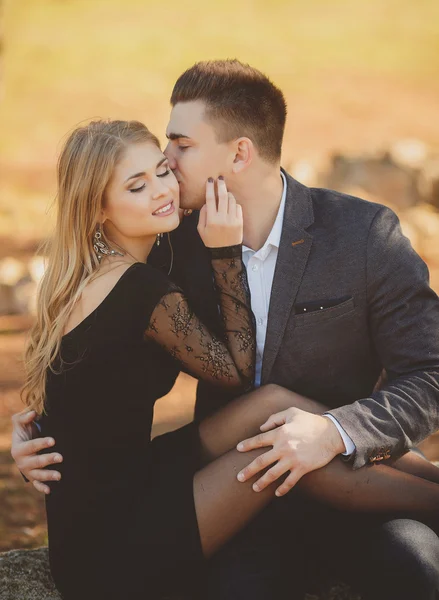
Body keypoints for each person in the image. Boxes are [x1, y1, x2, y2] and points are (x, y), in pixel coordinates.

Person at [12, 60, 439, 599]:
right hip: (218, 488)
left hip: (350, 479)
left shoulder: (363, 236)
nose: (167, 164)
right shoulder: (168, 240)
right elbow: (88, 356)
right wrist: (40, 439)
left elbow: (430, 374)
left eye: (180, 146)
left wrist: (338, 432)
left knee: (418, 567)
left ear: (239, 153)